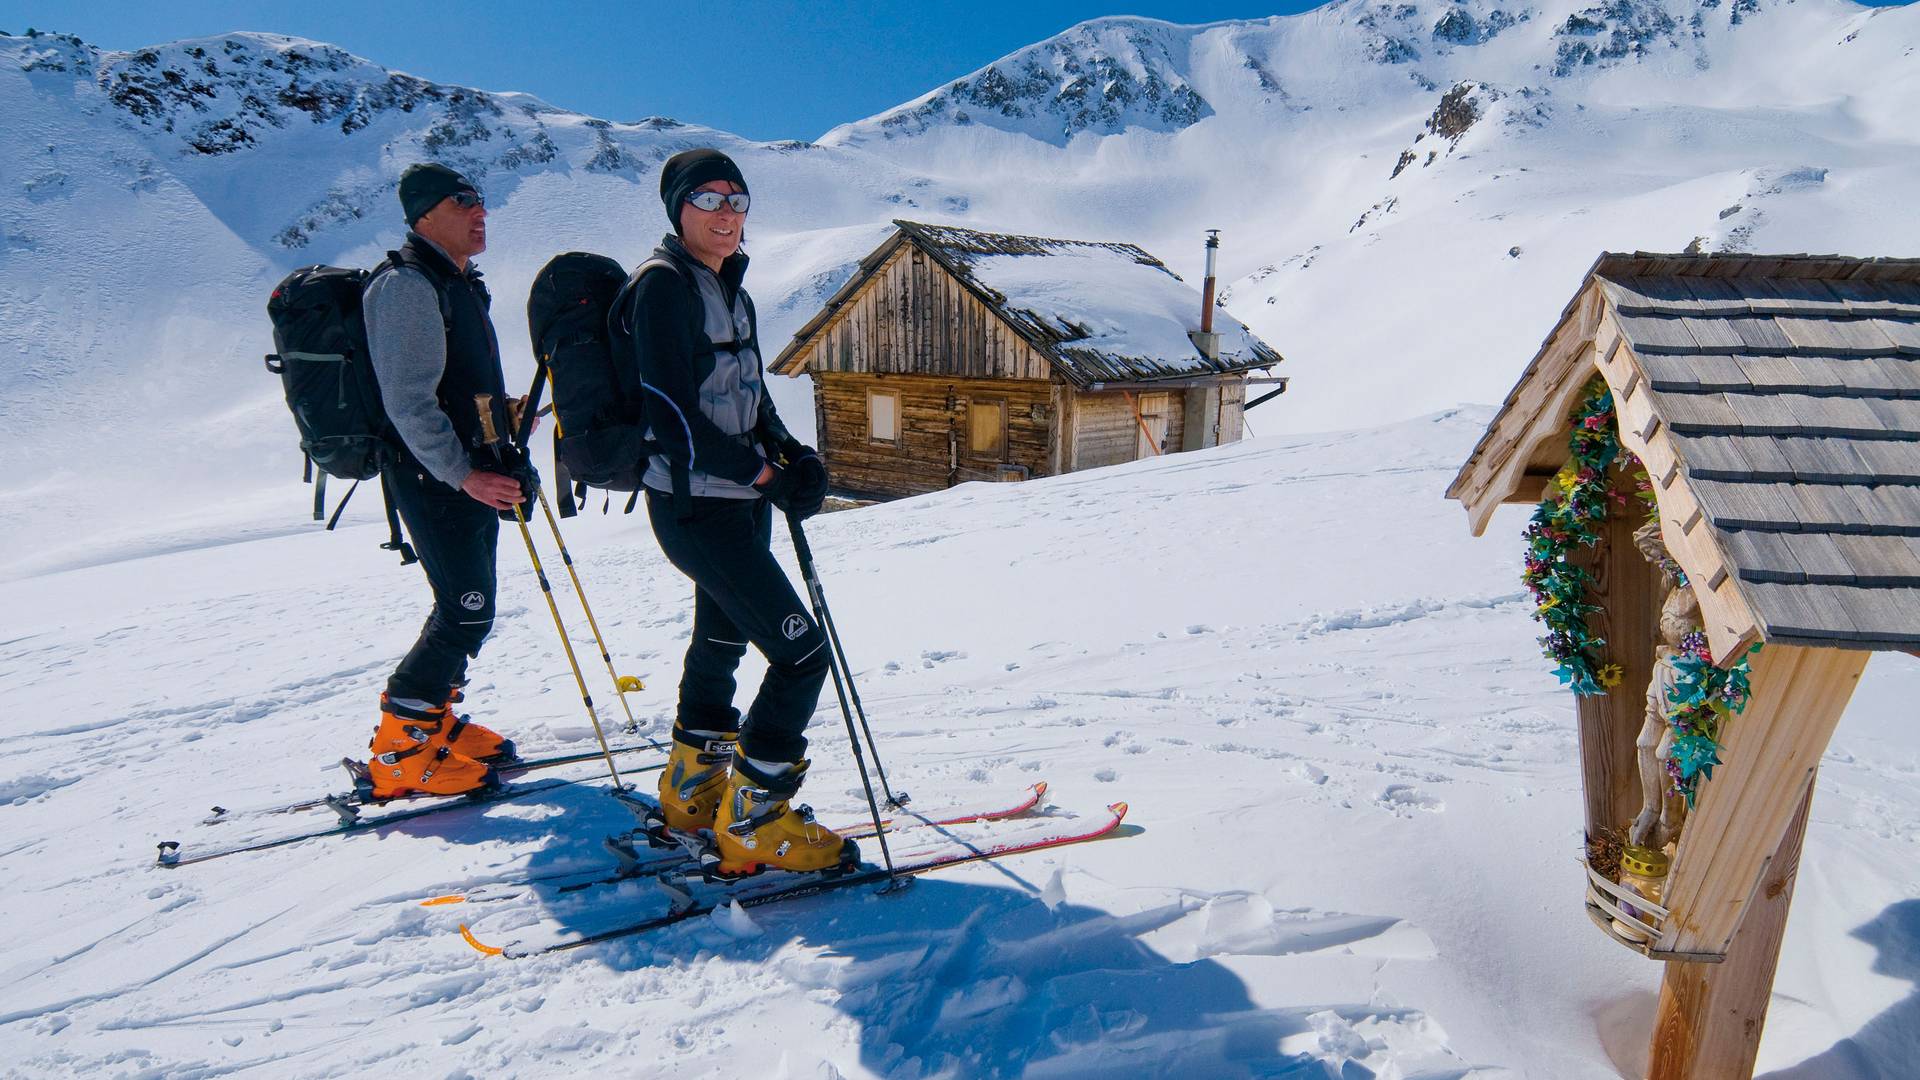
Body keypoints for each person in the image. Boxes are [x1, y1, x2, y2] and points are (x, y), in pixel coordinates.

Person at [617, 147, 838, 873]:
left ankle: (692, 792)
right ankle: (753, 818)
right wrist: (762, 471)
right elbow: (672, 412)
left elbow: (750, 394)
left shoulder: (730, 291)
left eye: (736, 200)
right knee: (803, 655)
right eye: (708, 199)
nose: (726, 213)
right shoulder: (663, 288)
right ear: (678, 210)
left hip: (738, 504)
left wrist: (790, 454)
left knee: (720, 643)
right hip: (696, 508)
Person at [360, 162, 534, 798]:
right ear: (424, 215)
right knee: (466, 610)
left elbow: (458, 387)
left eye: (482, 199)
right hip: (434, 475)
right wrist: (464, 473)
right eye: (464, 201)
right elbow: (407, 401)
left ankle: (432, 722)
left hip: (464, 472)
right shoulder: (407, 284)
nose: (480, 210)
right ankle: (401, 749)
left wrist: (508, 423)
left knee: (468, 607)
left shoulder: (456, 281)